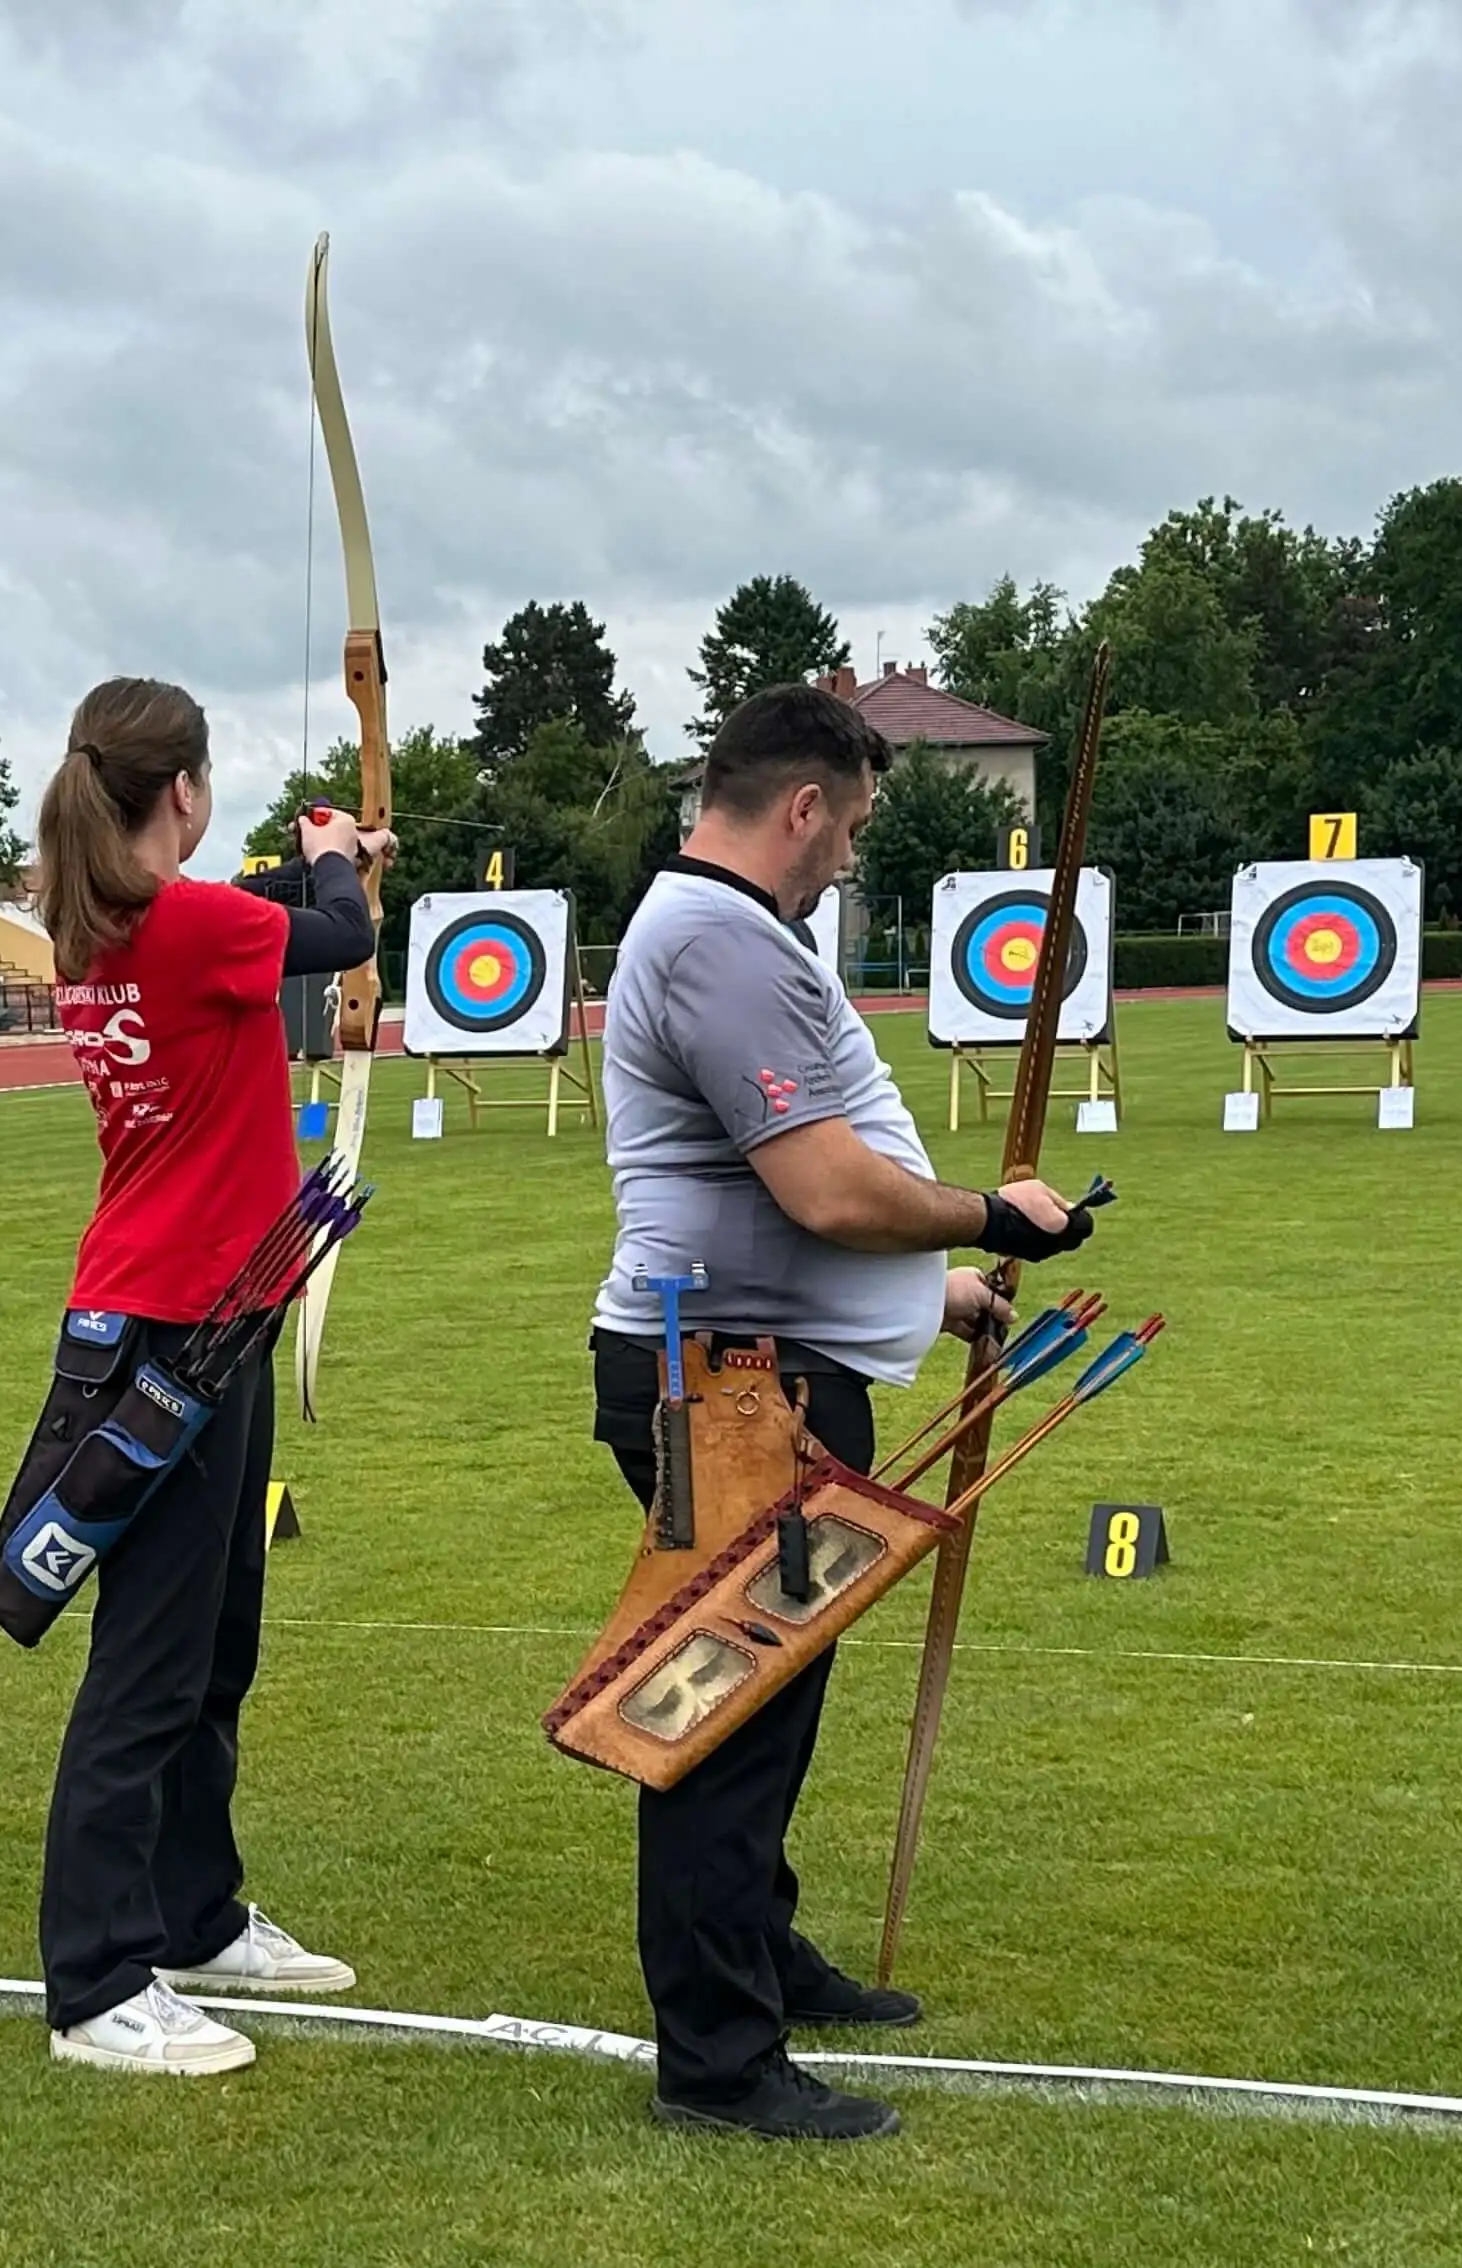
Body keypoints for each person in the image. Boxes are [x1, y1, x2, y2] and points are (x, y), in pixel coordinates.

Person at [587, 683, 1098, 2141]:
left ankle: (757, 1952)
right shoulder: (714, 944)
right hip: (734, 1390)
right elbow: (821, 1186)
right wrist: (994, 1213)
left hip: (769, 1367)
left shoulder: (723, 936)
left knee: (769, 1688)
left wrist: (923, 1295)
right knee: (725, 1707)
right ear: (800, 806)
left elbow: (759, 1197)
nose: (850, 857)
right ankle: (717, 2058)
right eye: (852, 827)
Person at [21, 677, 392, 2076]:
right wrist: (339, 853)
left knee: (215, 1636)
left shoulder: (116, 917)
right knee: (151, 1661)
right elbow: (340, 932)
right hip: (172, 1324)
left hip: (204, 1310)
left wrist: (313, 858)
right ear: (182, 789)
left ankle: (195, 1909)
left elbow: (284, 919)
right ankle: (98, 1980)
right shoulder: (186, 920)